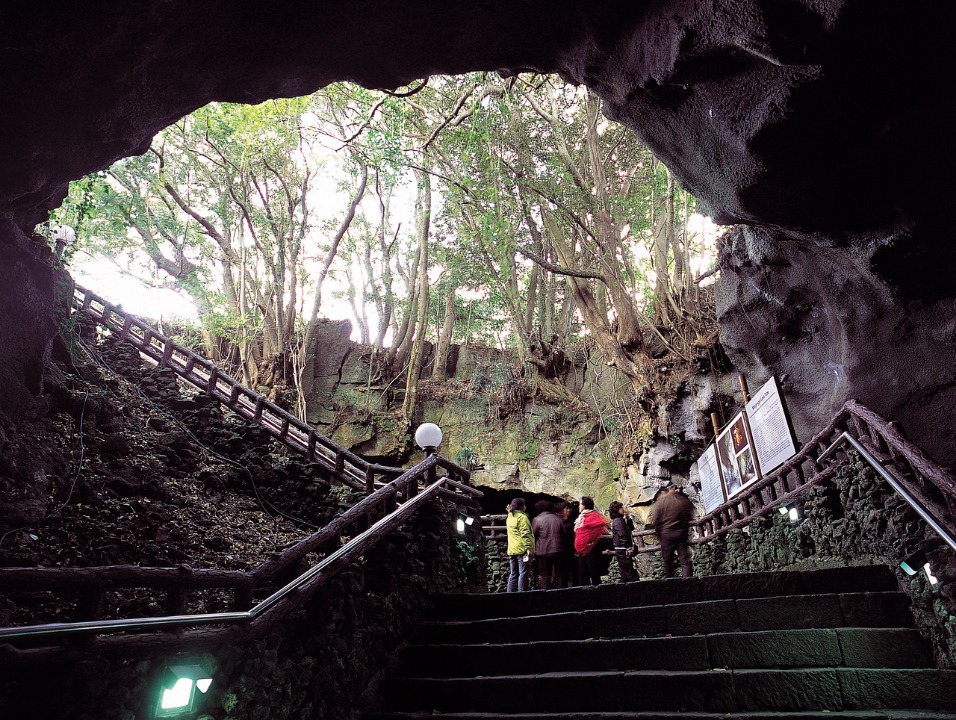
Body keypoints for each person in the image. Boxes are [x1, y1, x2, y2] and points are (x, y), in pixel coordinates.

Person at [653, 483, 695, 578]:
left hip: (666, 534)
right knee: (684, 560)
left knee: (668, 561)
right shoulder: (683, 500)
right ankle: (688, 581)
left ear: (668, 490)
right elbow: (689, 516)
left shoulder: (661, 501)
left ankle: (671, 583)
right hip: (681, 534)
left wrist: (659, 533)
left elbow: (656, 520)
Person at [574, 496, 609, 586]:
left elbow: (597, 531)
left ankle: (596, 592)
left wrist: (589, 541)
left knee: (593, 571)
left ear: (584, 505)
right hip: (583, 548)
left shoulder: (593, 516)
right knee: (583, 572)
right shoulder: (583, 517)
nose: (579, 506)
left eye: (580, 504)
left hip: (592, 546)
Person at [532, 500, 566, 589]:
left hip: (543, 551)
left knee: (545, 574)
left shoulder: (537, 519)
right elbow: (564, 533)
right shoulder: (558, 519)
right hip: (558, 549)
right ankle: (561, 592)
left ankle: (545, 593)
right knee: (560, 574)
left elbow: (533, 534)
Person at [506, 497, 535, 592]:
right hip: (521, 549)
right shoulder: (522, 517)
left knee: (513, 573)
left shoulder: (510, 516)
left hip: (512, 549)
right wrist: (529, 548)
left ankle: (509, 594)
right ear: (522, 506)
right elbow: (525, 533)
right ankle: (522, 594)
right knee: (523, 573)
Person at [609, 501, 638, 582]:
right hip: (622, 549)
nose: (623, 509)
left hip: (623, 548)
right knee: (627, 572)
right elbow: (622, 535)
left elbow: (631, 528)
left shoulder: (621, 520)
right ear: (617, 510)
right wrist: (628, 548)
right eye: (621, 508)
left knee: (627, 571)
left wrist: (628, 517)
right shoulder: (618, 521)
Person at [554, 500, 576, 586]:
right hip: (561, 550)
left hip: (569, 550)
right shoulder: (557, 522)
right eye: (567, 508)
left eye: (570, 508)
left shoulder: (571, 522)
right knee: (561, 573)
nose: (569, 510)